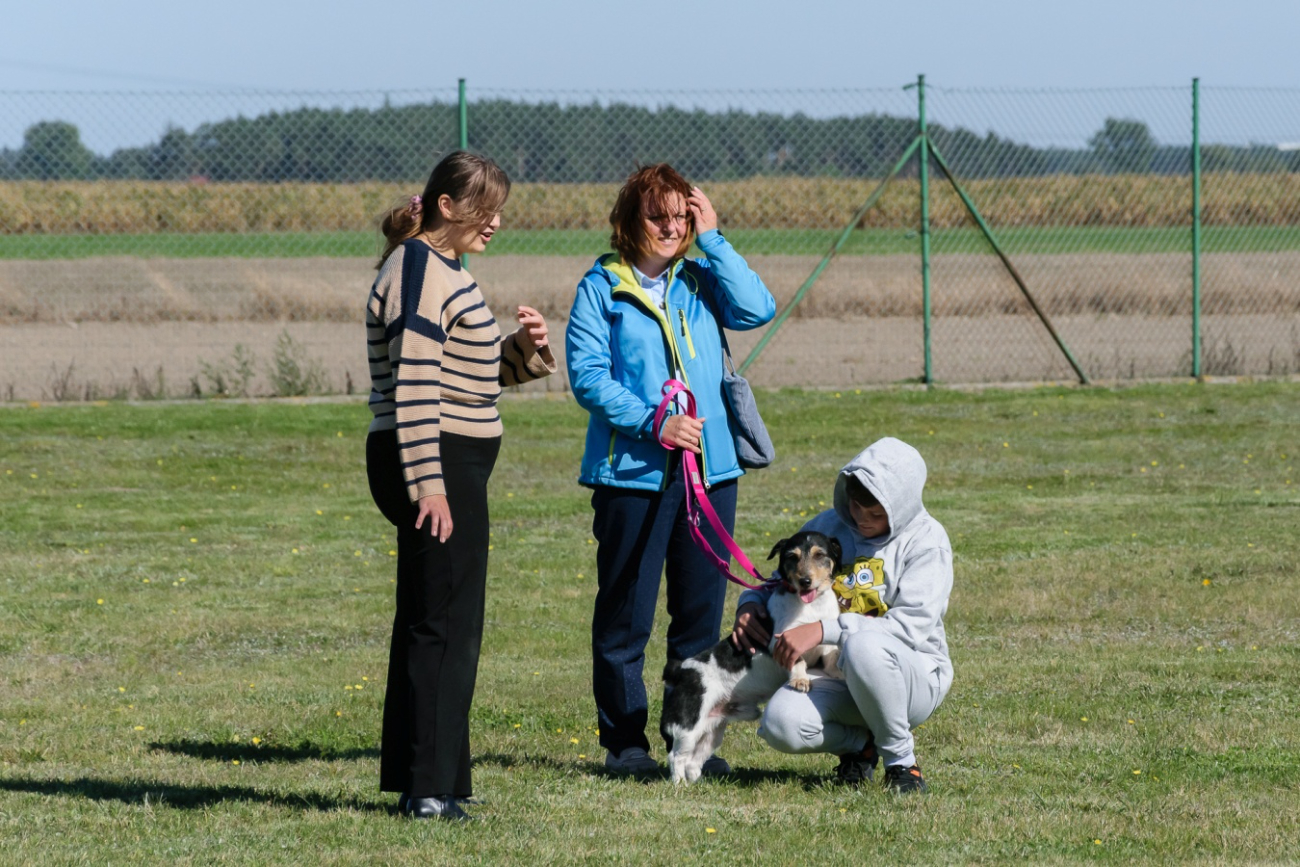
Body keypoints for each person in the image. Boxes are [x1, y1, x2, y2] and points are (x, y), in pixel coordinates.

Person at [566, 163, 777, 776]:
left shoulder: (703, 276)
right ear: (630, 219)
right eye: (658, 215)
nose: (670, 227)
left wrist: (713, 238)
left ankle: (693, 744)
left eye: (681, 216)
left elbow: (757, 307)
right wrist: (653, 422)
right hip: (631, 476)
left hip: (710, 474)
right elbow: (587, 377)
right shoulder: (601, 287)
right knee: (625, 617)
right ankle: (625, 744)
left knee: (699, 617)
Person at [365, 151, 556, 820]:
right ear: (446, 205)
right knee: (443, 628)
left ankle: (429, 778)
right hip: (435, 462)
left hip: (447, 459)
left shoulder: (439, 269)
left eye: (501, 210)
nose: (496, 222)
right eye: (485, 209)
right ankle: (427, 790)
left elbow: (469, 377)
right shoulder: (420, 267)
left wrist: (524, 350)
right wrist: (430, 485)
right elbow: (416, 382)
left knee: (437, 621)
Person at [731, 437, 953, 794]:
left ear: (902, 504)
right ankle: (860, 747)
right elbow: (783, 576)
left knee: (864, 645)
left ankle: (901, 764)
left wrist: (822, 630)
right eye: (855, 507)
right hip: (836, 672)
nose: (862, 520)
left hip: (912, 677)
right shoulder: (831, 524)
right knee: (780, 724)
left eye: (877, 514)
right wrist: (749, 604)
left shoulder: (927, 542)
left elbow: (909, 628)